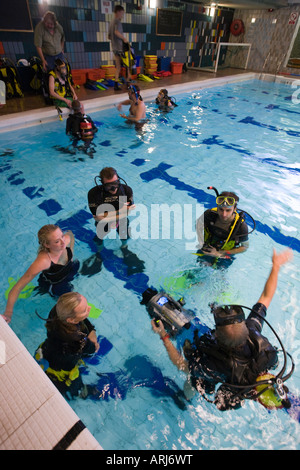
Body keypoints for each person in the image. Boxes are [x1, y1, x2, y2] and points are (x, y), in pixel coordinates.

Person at [152, 248, 293, 410]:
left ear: (217, 337)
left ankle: (184, 399)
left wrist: (163, 335)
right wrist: (276, 266)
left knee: (196, 381)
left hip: (231, 378)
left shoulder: (212, 364)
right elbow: (266, 297)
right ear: (245, 329)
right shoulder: (255, 333)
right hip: (252, 375)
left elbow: (182, 366)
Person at [2, 225, 78, 323]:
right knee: (61, 299)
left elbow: (70, 234)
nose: (63, 242)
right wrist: (8, 313)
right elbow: (17, 288)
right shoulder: (43, 261)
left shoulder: (66, 240)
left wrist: (71, 255)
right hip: (53, 282)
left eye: (62, 236)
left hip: (70, 269)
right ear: (47, 245)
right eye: (57, 241)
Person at [34, 292, 99, 399]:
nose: (90, 308)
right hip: (61, 370)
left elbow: (80, 320)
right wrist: (93, 339)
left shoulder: (57, 312)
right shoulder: (76, 340)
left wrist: (91, 330)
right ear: (71, 320)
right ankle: (81, 393)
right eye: (84, 310)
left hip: (45, 351)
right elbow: (91, 349)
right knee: (74, 387)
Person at [196, 191, 249, 265]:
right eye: (221, 209)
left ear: (234, 209)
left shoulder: (240, 226)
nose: (224, 214)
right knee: (198, 269)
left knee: (219, 274)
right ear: (217, 207)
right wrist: (201, 242)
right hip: (209, 247)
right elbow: (198, 225)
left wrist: (221, 253)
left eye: (228, 210)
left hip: (226, 252)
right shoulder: (210, 214)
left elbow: (245, 247)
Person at [87, 167, 135, 243]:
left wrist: (105, 217)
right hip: (105, 223)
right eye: (109, 186)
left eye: (115, 183)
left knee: (124, 236)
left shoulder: (126, 190)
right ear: (102, 183)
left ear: (119, 180)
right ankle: (98, 252)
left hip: (121, 220)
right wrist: (120, 211)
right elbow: (97, 218)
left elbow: (128, 212)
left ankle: (124, 247)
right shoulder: (94, 193)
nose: (113, 188)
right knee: (100, 237)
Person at [108, 5, 131, 90]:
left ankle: (116, 84)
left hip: (114, 48)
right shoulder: (117, 22)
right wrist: (124, 38)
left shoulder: (111, 23)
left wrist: (115, 41)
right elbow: (116, 32)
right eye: (122, 13)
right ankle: (128, 83)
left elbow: (109, 36)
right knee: (128, 64)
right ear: (118, 12)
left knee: (118, 67)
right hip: (120, 48)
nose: (122, 15)